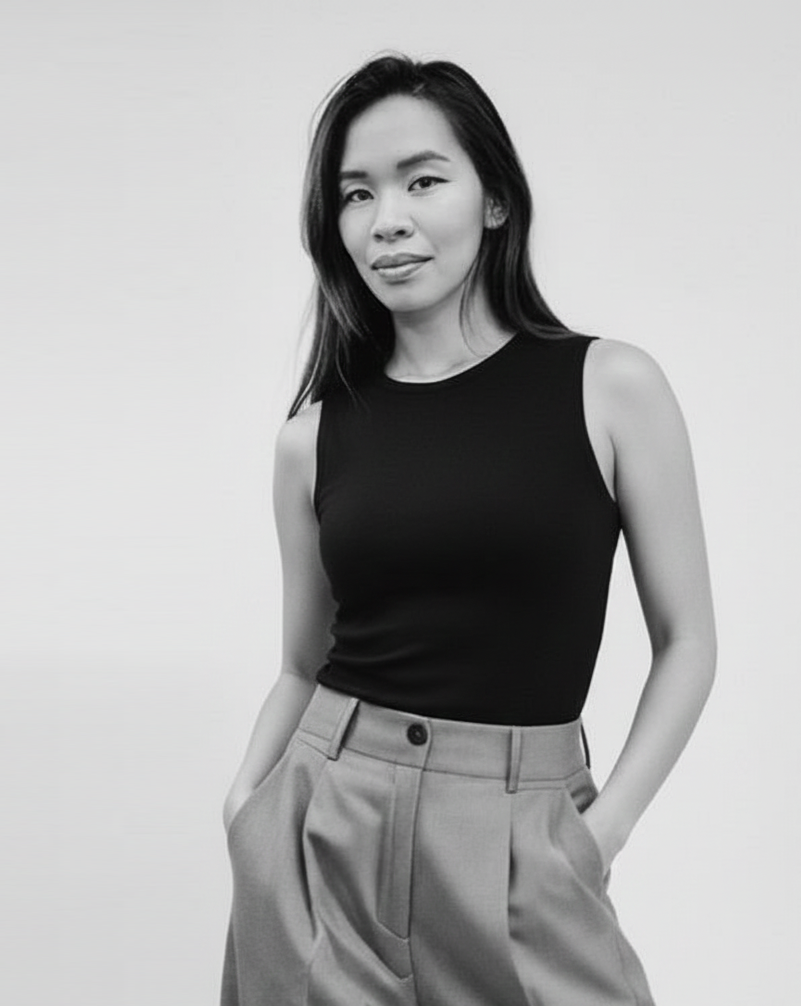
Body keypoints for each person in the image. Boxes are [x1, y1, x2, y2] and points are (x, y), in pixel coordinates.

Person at [219, 52, 716, 1006]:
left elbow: (687, 642)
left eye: (422, 180)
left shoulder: (610, 386)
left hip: (521, 836)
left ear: (493, 200)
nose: (386, 219)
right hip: (323, 829)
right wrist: (244, 811)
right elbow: (300, 662)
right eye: (355, 194)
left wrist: (596, 836)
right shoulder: (310, 439)